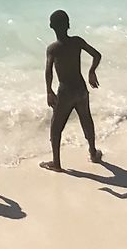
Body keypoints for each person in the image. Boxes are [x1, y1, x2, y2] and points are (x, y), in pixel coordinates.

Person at [40, 9, 103, 171]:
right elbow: (97, 55)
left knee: (56, 127)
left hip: (65, 92)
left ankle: (56, 163)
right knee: (86, 120)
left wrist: (49, 91)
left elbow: (49, 71)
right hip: (81, 89)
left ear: (51, 26)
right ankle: (93, 152)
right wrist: (91, 71)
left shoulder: (53, 49)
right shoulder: (77, 41)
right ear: (68, 25)